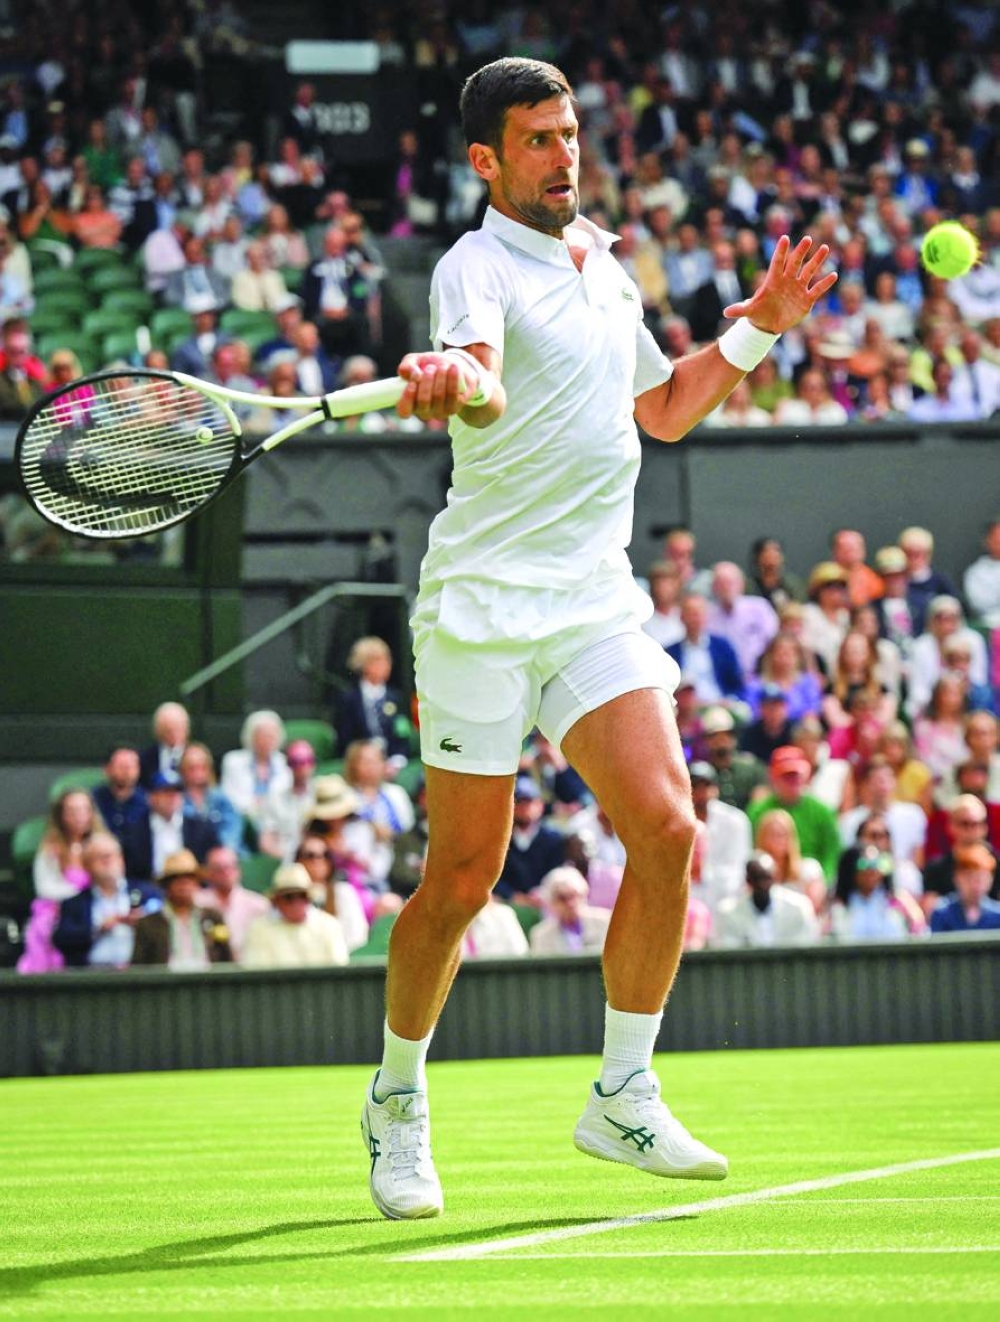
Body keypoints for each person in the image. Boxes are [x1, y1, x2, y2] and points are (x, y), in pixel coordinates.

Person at [360, 56, 836, 1221]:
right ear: (487, 160)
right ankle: (397, 1094)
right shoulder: (472, 268)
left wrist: (760, 332)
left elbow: (661, 408)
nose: (564, 154)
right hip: (479, 610)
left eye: (569, 133)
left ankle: (621, 1090)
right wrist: (451, 377)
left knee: (668, 828)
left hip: (589, 601)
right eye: (537, 139)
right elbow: (480, 382)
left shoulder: (603, 262)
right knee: (462, 880)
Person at [17, 789, 103, 974]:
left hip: (95, 910)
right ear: (61, 815)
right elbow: (45, 888)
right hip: (55, 914)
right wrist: (77, 897)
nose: (79, 817)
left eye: (83, 810)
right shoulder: (50, 848)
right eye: (72, 811)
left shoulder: (102, 845)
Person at [52, 834, 162, 969]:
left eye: (111, 855)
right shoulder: (74, 903)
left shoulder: (147, 893)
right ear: (86, 865)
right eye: (100, 857)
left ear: (121, 859)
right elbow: (61, 939)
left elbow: (165, 925)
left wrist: (143, 923)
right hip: (92, 978)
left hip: (140, 974)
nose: (107, 861)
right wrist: (98, 928)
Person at [748, 746, 843, 884]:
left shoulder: (823, 812)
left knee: (811, 869)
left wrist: (824, 882)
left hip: (809, 882)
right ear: (773, 777)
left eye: (796, 775)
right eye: (786, 776)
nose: (793, 780)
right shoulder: (757, 811)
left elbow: (832, 853)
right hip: (768, 877)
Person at [132, 849, 233, 969]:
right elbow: (138, 968)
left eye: (189, 877)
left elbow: (227, 960)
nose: (184, 883)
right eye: (176, 878)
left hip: (208, 984)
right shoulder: (149, 924)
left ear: (197, 882)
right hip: (165, 985)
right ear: (166, 885)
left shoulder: (213, 917)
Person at [242, 862, 350, 969]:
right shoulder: (259, 929)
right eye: (289, 897)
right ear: (277, 901)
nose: (296, 902)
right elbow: (256, 973)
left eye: (302, 896)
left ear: (309, 898)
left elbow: (339, 971)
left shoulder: (329, 925)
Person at [120, 770, 219, 882]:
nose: (173, 797)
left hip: (192, 890)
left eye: (177, 791)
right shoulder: (133, 831)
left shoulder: (201, 829)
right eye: (166, 792)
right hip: (148, 890)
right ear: (151, 797)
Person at [713, 851, 820, 948]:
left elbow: (807, 944)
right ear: (748, 881)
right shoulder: (729, 913)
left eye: (766, 878)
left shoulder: (798, 908)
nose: (762, 884)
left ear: (775, 878)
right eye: (757, 879)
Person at [334, 636, 411, 762]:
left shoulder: (395, 698)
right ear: (363, 664)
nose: (387, 665)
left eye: (388, 659)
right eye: (378, 660)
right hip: (362, 763)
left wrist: (398, 759)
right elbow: (345, 740)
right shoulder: (348, 699)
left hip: (393, 762)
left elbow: (403, 733)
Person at [689, 761, 751, 915]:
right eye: (695, 785)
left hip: (727, 902)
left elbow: (738, 869)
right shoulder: (674, 821)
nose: (701, 791)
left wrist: (702, 873)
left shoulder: (735, 820)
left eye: (706, 785)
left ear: (715, 789)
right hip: (688, 902)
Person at [829, 844, 924, 942]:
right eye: (864, 864)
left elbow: (918, 930)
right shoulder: (838, 906)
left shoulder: (897, 902)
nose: (872, 870)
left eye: (876, 864)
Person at [496, 774, 566, 904]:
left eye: (530, 802)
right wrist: (512, 895)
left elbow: (558, 871)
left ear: (541, 806)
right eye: (520, 803)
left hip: (547, 903)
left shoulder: (553, 838)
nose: (525, 808)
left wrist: (542, 893)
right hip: (508, 903)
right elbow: (494, 876)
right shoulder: (500, 839)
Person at [666, 593, 746, 706]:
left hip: (721, 708)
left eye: (698, 614)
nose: (695, 619)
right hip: (685, 711)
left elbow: (737, 683)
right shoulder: (670, 653)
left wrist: (730, 700)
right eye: (691, 614)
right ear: (681, 617)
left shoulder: (723, 647)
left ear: (706, 617)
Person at [194, 845, 269, 962]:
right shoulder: (197, 902)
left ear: (238, 870)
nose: (225, 873)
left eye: (229, 867)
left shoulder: (258, 905)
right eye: (218, 868)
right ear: (208, 873)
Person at [704, 561, 779, 678]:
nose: (726, 588)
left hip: (760, 676)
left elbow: (774, 641)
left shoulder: (759, 607)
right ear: (713, 587)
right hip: (723, 680)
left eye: (730, 583)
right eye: (720, 583)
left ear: (741, 584)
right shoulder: (707, 615)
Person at [220, 710, 292, 825]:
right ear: (251, 736)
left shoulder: (286, 763)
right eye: (263, 735)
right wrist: (254, 808)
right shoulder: (232, 761)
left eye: (272, 735)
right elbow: (228, 798)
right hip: (241, 820)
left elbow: (287, 800)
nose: (269, 740)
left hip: (277, 822)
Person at [257, 739, 318, 861]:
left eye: (308, 761)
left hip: (318, 858)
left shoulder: (322, 794)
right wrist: (288, 859)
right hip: (286, 860)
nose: (302, 767)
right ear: (288, 765)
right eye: (296, 762)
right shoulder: (274, 798)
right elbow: (265, 842)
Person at [529, 865, 612, 954]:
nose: (570, 903)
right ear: (551, 902)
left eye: (573, 896)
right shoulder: (541, 935)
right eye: (562, 898)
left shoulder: (607, 922)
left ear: (583, 894)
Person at [697, 706, 768, 811]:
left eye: (726, 734)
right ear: (706, 740)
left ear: (733, 737)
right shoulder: (702, 774)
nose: (721, 740)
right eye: (714, 735)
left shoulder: (752, 768)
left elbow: (761, 799)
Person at [178, 742, 244, 854]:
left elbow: (232, 828)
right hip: (189, 855)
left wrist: (223, 851)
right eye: (191, 767)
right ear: (182, 770)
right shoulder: (177, 799)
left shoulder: (221, 798)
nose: (197, 772)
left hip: (222, 854)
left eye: (202, 767)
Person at [928, 844, 1000, 934]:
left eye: (981, 879)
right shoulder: (941, 912)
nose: (975, 885)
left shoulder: (997, 914)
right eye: (969, 878)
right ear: (956, 878)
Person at [91, 745, 147, 842]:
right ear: (107, 769)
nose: (127, 771)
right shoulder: (93, 800)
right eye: (121, 766)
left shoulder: (148, 801)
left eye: (132, 766)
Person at [139, 701, 191, 788]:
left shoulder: (195, 756)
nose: (174, 735)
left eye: (178, 729)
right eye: (168, 730)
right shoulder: (146, 758)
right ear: (158, 731)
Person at [963, 517, 1000, 629]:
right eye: (996, 539)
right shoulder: (975, 572)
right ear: (987, 540)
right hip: (988, 624)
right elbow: (978, 604)